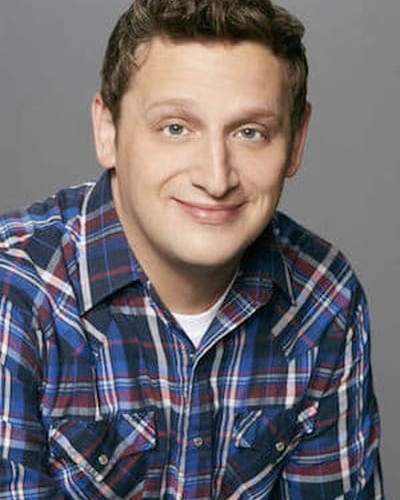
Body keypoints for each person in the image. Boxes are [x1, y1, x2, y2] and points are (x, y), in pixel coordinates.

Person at [0, 0, 384, 498]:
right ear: (107, 131)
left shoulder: (325, 300)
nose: (215, 177)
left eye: (250, 132)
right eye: (176, 128)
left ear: (296, 140)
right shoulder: (14, 293)